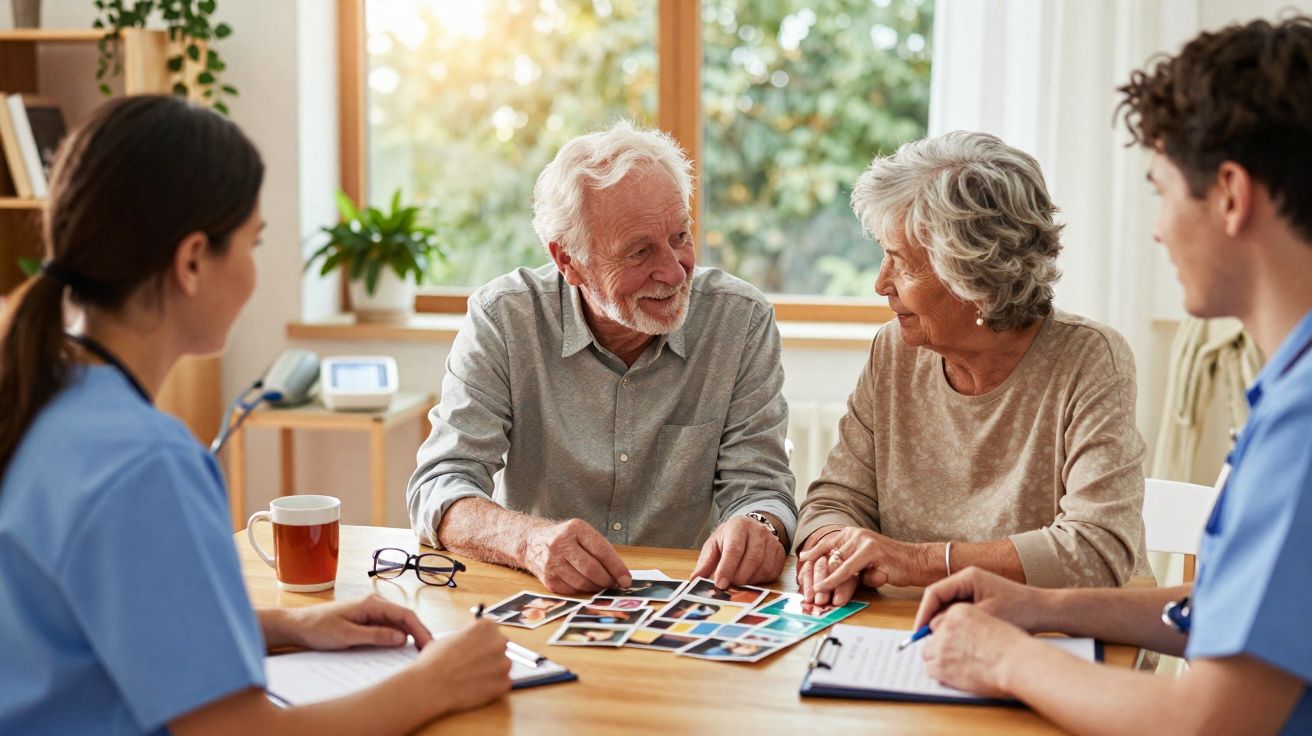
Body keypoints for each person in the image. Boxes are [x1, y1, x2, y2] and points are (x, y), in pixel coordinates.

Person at [0, 96, 510, 735]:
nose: (254, 271)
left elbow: (90, 628)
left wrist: (289, 623)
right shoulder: (145, 462)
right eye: (253, 242)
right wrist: (436, 684)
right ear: (192, 261)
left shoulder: (38, 400)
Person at [912, 17, 1312, 733]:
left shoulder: (1302, 425)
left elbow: (1206, 722)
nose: (1157, 228)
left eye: (1161, 191)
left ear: (1229, 194)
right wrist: (1040, 605)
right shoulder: (1289, 388)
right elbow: (1221, 612)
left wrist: (1004, 657)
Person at [406, 121, 797, 595]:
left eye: (680, 236)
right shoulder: (504, 319)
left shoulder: (740, 319)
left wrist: (759, 525)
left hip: (688, 600)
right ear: (568, 261)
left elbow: (762, 488)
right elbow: (441, 485)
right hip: (544, 596)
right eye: (639, 252)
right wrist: (529, 542)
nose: (674, 273)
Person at [795, 130, 1151, 606]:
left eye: (901, 263)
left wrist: (917, 560)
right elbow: (834, 500)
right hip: (917, 626)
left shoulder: (1089, 359)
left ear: (976, 277)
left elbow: (1096, 551)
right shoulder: (895, 351)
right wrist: (832, 552)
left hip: (1055, 629)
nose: (881, 283)